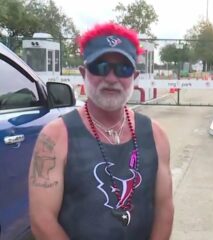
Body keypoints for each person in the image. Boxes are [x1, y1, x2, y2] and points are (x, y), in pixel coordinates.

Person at [29, 22, 174, 240]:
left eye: (123, 69)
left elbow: (165, 210)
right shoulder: (56, 136)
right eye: (100, 67)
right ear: (83, 73)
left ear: (134, 78)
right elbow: (42, 220)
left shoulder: (155, 135)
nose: (111, 78)